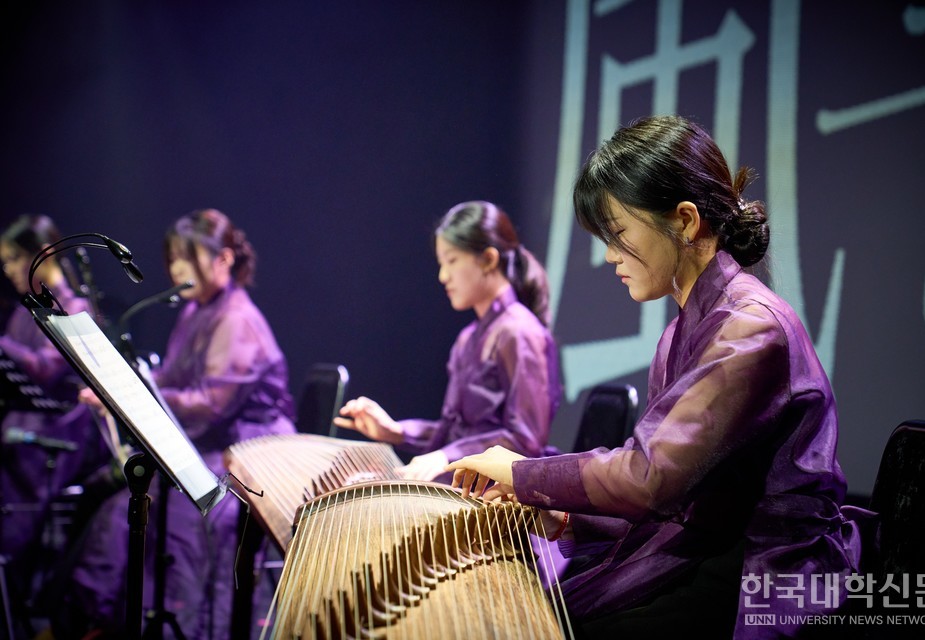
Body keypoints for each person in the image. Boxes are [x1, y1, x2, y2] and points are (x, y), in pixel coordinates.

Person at [446, 116, 873, 639]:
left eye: (618, 234)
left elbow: (653, 477)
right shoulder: (682, 332)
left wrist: (526, 475)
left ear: (686, 221)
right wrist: (564, 516)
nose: (608, 256)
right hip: (712, 548)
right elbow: (674, 490)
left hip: (764, 570)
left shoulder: (751, 328)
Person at [63, 209, 296, 640]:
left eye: (188, 258)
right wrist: (119, 389)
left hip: (249, 453)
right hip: (210, 445)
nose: (177, 270)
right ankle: (103, 622)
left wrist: (136, 395)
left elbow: (210, 404)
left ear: (224, 260)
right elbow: (169, 379)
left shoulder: (238, 319)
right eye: (173, 259)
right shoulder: (195, 312)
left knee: (160, 517)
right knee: (116, 502)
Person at [334, 201, 562, 482]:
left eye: (452, 261)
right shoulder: (468, 338)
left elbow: (526, 440)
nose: (443, 276)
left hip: (503, 497)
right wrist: (396, 431)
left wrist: (447, 456)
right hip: (466, 484)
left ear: (489, 259)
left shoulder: (519, 331)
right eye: (441, 264)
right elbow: (454, 433)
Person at [0, 215, 106, 621]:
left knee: (15, 465)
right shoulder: (22, 310)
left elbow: (45, 370)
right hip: (26, 426)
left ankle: (20, 584)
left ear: (41, 256)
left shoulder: (76, 309)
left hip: (64, 432)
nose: (8, 270)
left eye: (13, 259)